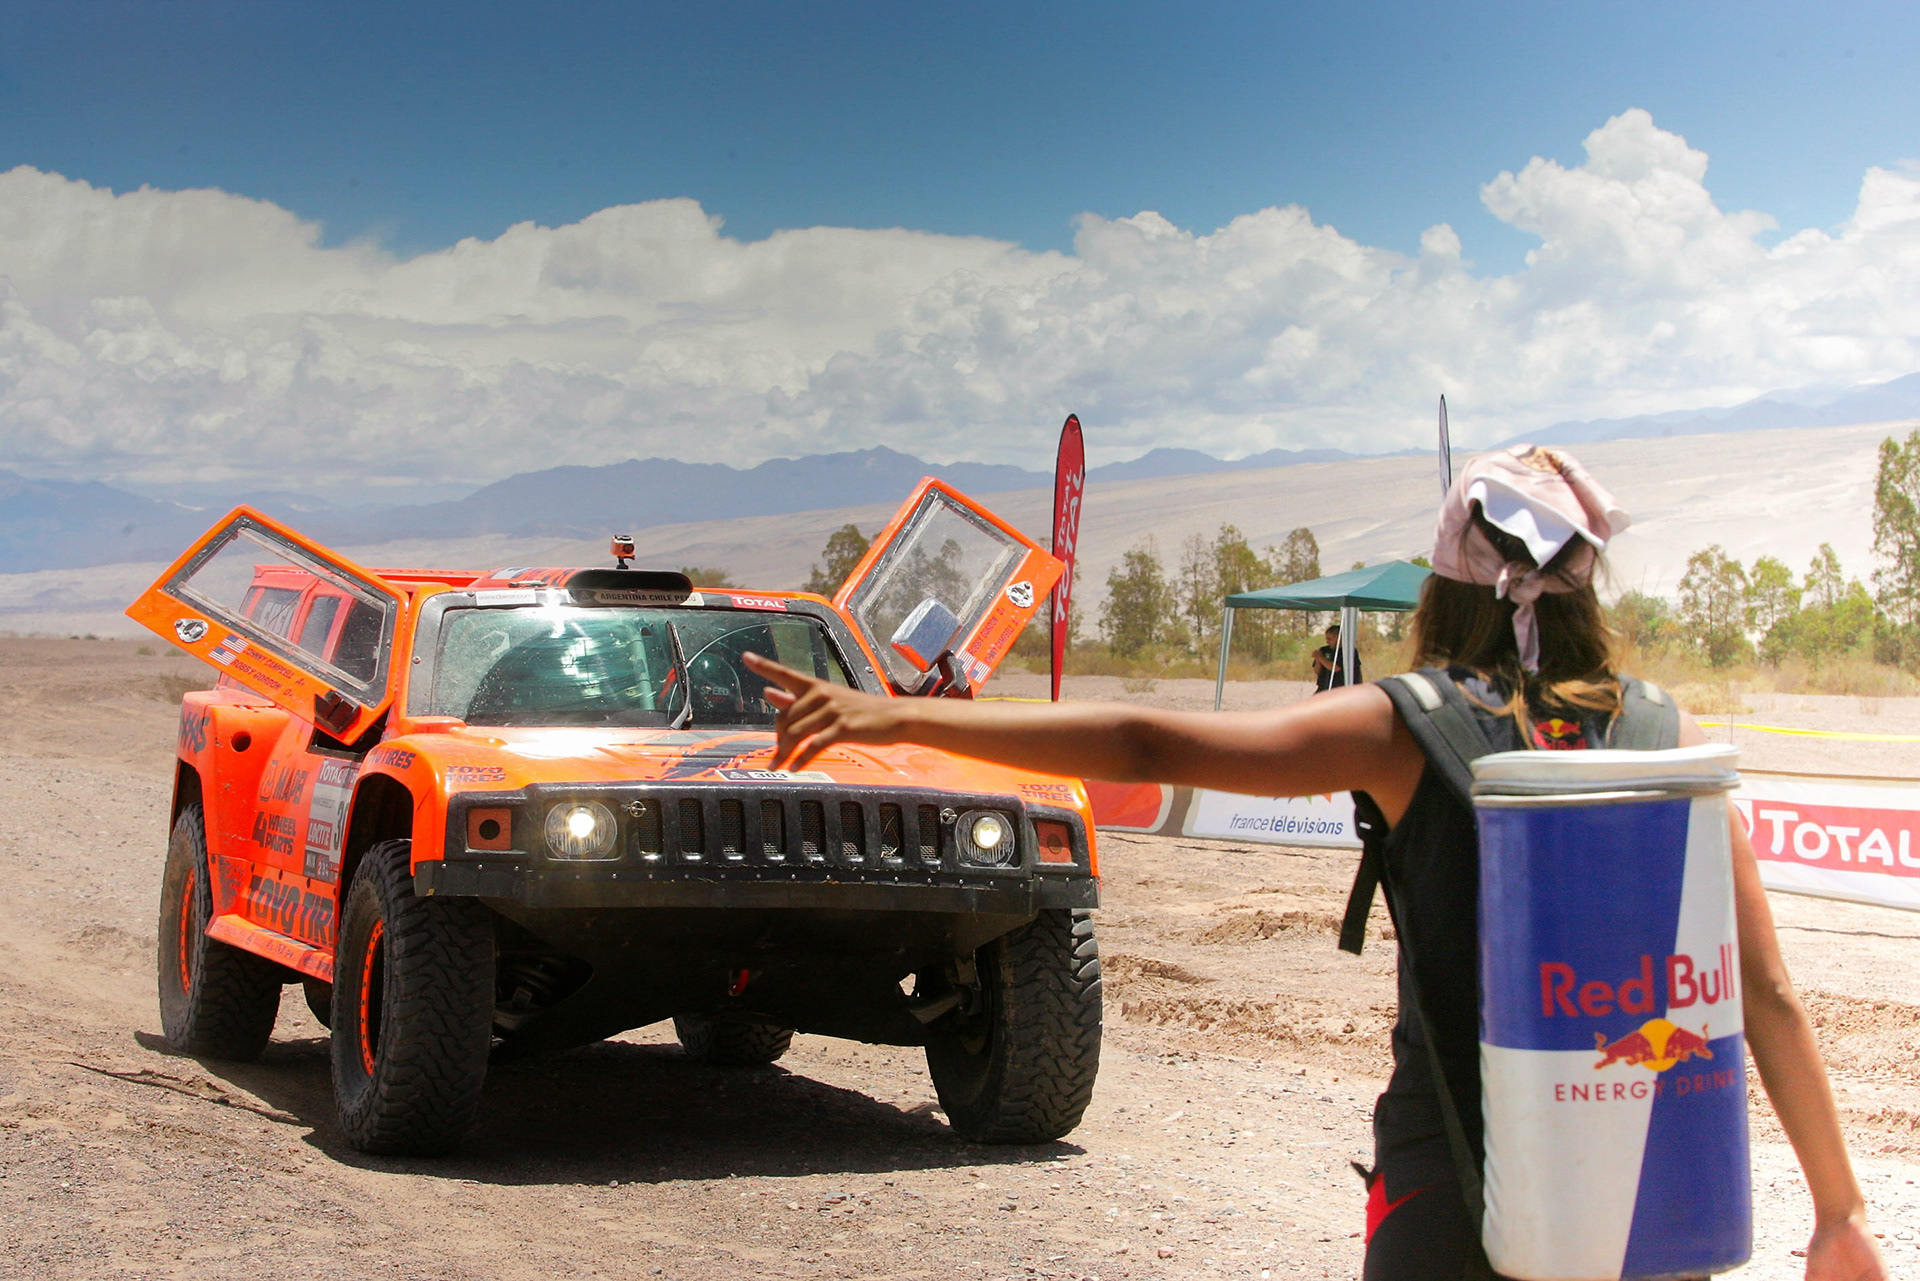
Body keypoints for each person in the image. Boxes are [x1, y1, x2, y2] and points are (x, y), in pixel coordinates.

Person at [744, 445, 1887, 1281]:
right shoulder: (1671, 739)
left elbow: (1148, 743)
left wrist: (896, 716)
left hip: (1454, 1191)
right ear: (1589, 580)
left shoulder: (1406, 726)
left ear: (1446, 582)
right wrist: (1838, 1211)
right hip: (1639, 1195)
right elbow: (1766, 992)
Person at [1313, 623, 1362, 691]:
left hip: (1342, 688)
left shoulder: (1348, 652)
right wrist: (1318, 660)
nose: (1327, 642)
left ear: (1338, 638)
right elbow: (1317, 671)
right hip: (1324, 687)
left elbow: (1335, 668)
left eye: (1330, 639)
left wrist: (1321, 658)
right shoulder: (1324, 650)